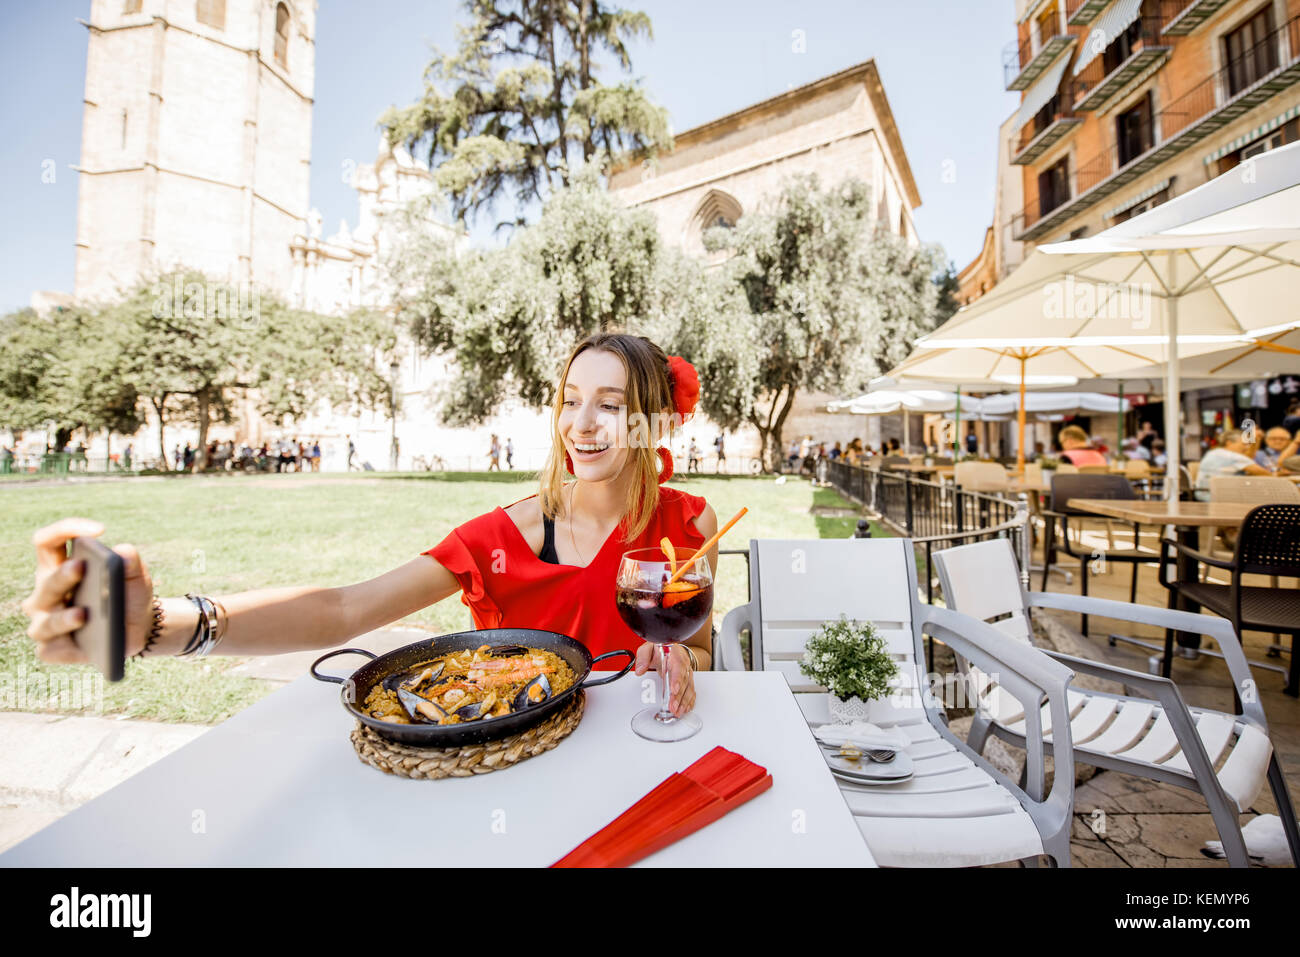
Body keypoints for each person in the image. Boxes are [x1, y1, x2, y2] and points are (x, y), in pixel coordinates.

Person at [21, 333, 716, 720]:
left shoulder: (691, 522)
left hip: (639, 762)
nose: (581, 424)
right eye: (569, 400)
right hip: (517, 770)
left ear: (650, 419)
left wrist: (687, 659)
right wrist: (158, 627)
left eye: (609, 403)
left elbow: (701, 649)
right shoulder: (498, 537)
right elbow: (344, 609)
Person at [1194, 428, 1272, 499]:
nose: (1246, 447)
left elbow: (1248, 458)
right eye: (1244, 444)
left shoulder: (1213, 452)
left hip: (1201, 494)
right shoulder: (1234, 456)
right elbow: (1265, 473)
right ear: (1229, 443)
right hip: (1221, 498)